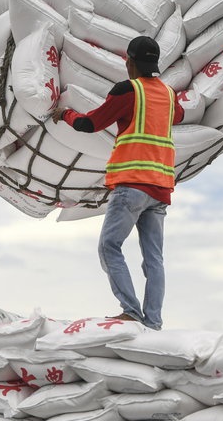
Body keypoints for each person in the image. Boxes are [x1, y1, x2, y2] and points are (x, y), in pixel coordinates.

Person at [53, 36, 185, 330]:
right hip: (161, 189)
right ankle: (153, 321)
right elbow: (178, 115)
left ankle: (131, 311)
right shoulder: (168, 94)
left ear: (130, 62)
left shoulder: (129, 90)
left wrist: (65, 114)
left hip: (132, 185)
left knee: (109, 246)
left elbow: (90, 124)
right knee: (154, 258)